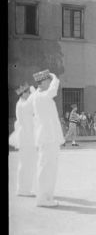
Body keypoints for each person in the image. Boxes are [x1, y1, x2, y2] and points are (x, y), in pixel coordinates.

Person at [28, 70, 65, 207]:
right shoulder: (41, 96)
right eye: (48, 81)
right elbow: (53, 90)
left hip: (50, 136)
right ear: (43, 82)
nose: (50, 84)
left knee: (50, 168)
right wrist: (54, 77)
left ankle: (47, 197)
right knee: (46, 168)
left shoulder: (39, 95)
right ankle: (43, 198)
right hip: (47, 137)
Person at [10, 83, 37, 197]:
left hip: (26, 135)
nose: (28, 94)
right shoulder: (22, 104)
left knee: (26, 163)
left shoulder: (21, 103)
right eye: (27, 92)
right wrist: (34, 92)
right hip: (25, 136)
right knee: (26, 163)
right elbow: (31, 104)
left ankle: (23, 188)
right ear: (23, 94)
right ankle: (23, 189)